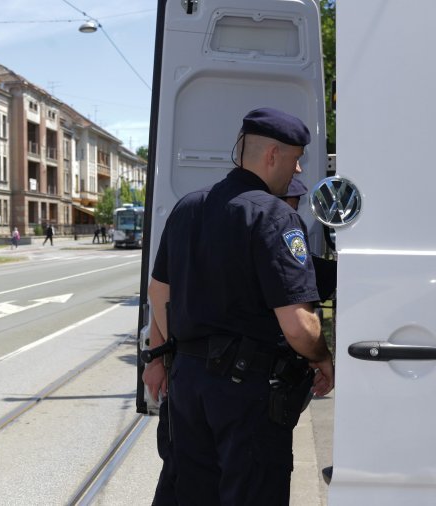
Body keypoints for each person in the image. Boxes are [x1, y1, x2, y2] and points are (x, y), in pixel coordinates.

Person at [144, 108, 335, 505]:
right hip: (245, 396)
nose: (298, 167)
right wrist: (321, 357)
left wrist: (161, 358)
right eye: (296, 157)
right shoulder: (274, 215)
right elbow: (298, 325)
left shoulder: (188, 208)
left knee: (192, 493)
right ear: (272, 156)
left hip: (188, 389)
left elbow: (158, 292)